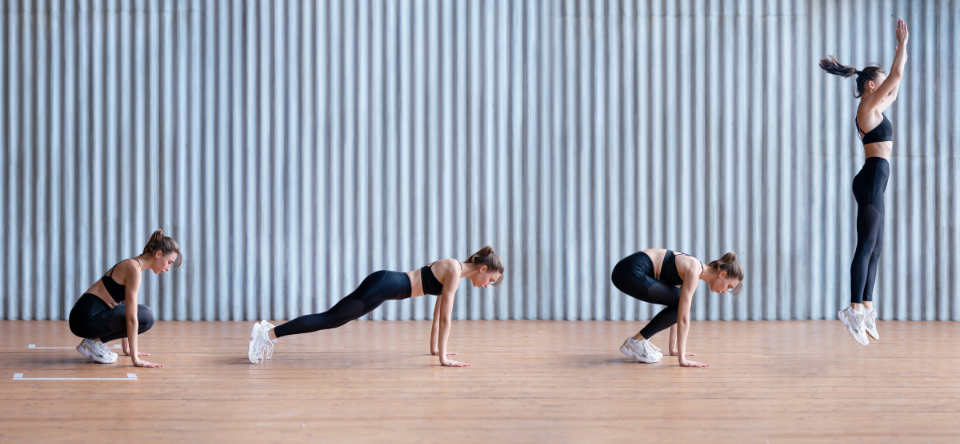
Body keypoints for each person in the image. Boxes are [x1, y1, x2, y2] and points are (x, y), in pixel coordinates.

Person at [247, 246, 504, 367]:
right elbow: (447, 318)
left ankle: (269, 332)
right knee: (330, 319)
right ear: (483, 269)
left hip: (383, 285)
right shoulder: (454, 268)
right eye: (490, 280)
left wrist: (436, 349)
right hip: (382, 286)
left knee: (332, 319)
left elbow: (438, 314)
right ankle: (267, 334)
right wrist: (444, 359)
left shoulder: (455, 272)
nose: (486, 285)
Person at [820, 18, 909, 345]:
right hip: (871, 180)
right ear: (871, 85)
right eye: (881, 81)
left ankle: (867, 306)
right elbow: (896, 77)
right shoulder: (867, 106)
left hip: (875, 181)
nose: (886, 85)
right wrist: (904, 46)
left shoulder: (876, 104)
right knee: (866, 246)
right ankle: (853, 308)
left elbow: (896, 87)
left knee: (876, 248)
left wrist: (901, 50)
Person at [69, 230, 182, 368]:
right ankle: (92, 343)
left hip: (87, 315)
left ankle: (94, 342)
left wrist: (127, 350)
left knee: (145, 311)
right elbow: (131, 318)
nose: (168, 268)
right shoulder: (133, 269)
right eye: (169, 262)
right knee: (146, 317)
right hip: (84, 319)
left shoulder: (134, 266)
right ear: (158, 254)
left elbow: (125, 308)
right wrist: (135, 360)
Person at [611, 249, 743, 367]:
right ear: (722, 274)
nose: (725, 291)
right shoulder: (693, 269)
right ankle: (636, 342)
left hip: (626, 271)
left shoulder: (694, 268)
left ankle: (637, 341)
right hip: (629, 272)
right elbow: (684, 319)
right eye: (729, 286)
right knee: (685, 304)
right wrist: (682, 359)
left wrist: (673, 349)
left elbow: (678, 310)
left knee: (680, 302)